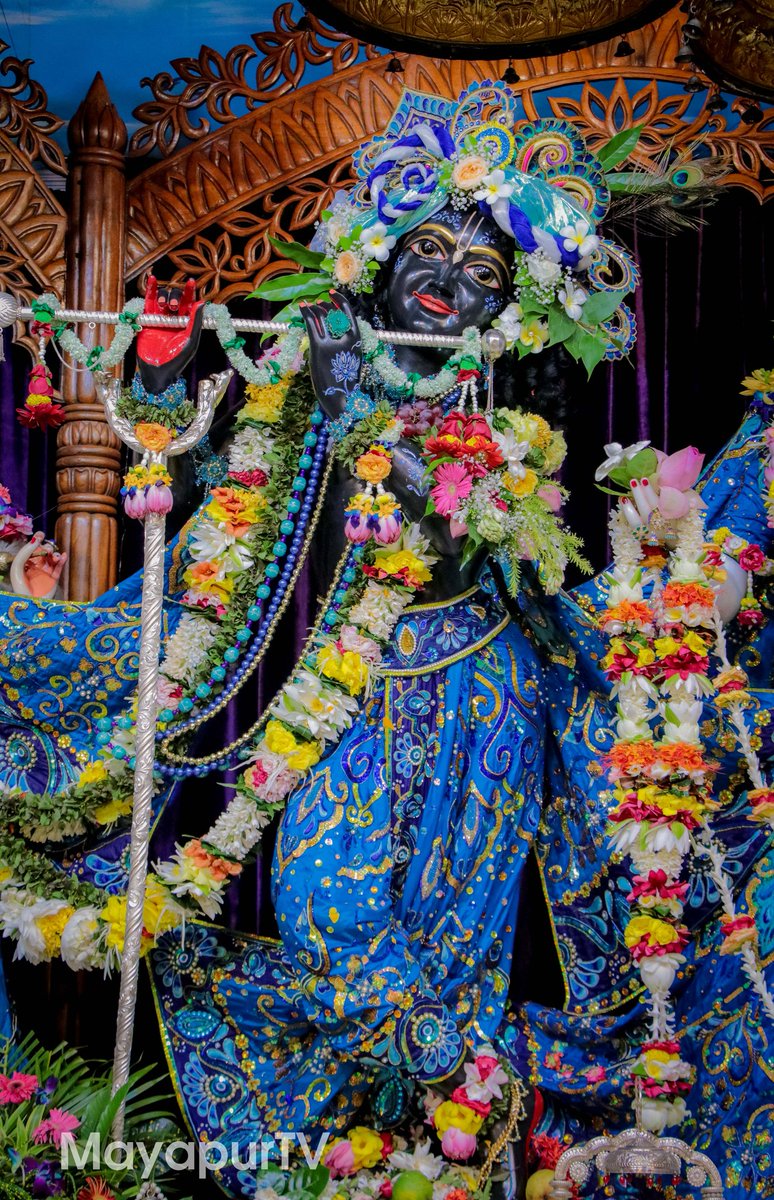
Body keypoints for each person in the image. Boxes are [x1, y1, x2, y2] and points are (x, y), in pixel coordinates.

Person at [0, 85, 771, 1200]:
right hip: (348, 697)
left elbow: (483, 527)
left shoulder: (504, 430)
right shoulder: (299, 385)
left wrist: (364, 405)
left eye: (481, 276)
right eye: (431, 250)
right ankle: (401, 1131)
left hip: (482, 699)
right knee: (329, 919)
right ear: (376, 260)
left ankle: (444, 1162)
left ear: (503, 317)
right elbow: (220, 513)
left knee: (455, 950)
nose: (448, 281)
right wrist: (166, 398)